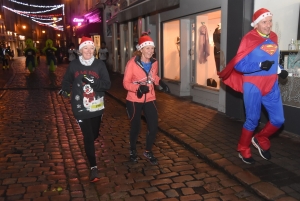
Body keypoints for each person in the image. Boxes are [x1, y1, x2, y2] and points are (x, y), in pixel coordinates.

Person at [218, 8, 288, 164]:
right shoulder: (248, 39)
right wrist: (259, 65)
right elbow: (239, 65)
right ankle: (243, 148)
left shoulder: (274, 37)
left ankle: (260, 137)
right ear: (256, 24)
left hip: (271, 84)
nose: (269, 25)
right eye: (264, 22)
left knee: (278, 120)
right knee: (252, 120)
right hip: (253, 85)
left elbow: (273, 59)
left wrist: (280, 70)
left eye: (270, 21)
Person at [58, 36, 111, 182]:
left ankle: (91, 142)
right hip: (79, 106)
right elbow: (67, 79)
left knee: (93, 134)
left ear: (95, 50)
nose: (88, 51)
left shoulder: (99, 65)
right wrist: (65, 90)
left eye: (91, 48)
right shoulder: (74, 65)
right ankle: (93, 168)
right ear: (80, 50)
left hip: (96, 105)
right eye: (85, 48)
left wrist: (95, 83)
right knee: (88, 137)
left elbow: (107, 84)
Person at [123, 33, 170, 165]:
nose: (150, 51)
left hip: (150, 98)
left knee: (154, 126)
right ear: (141, 49)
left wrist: (161, 82)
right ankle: (132, 150)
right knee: (136, 127)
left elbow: (153, 77)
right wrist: (137, 88)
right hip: (133, 100)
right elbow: (125, 83)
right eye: (147, 48)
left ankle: (148, 151)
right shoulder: (132, 63)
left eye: (152, 48)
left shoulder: (154, 63)